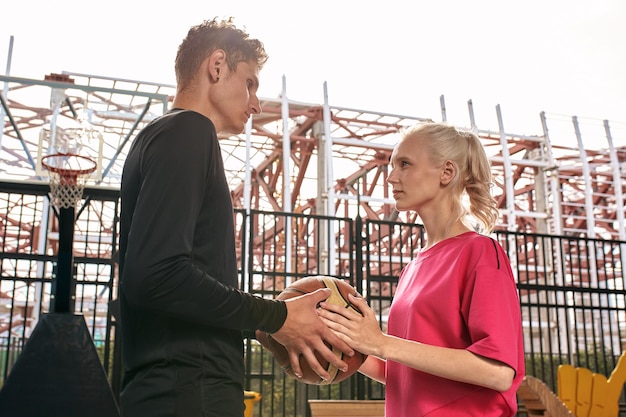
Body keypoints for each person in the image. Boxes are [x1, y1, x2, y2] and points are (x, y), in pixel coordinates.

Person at [118, 17, 352, 417]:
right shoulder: (189, 131)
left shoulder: (157, 137)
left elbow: (164, 277)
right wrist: (276, 316)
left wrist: (257, 325)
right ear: (217, 65)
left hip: (170, 389)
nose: (257, 104)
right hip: (190, 392)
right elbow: (156, 275)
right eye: (250, 83)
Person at [319, 122, 525, 416]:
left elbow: (498, 372)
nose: (391, 177)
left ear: (447, 172)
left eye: (404, 164)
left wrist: (380, 342)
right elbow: (405, 373)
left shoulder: (479, 252)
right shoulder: (414, 267)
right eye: (392, 166)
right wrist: (347, 343)